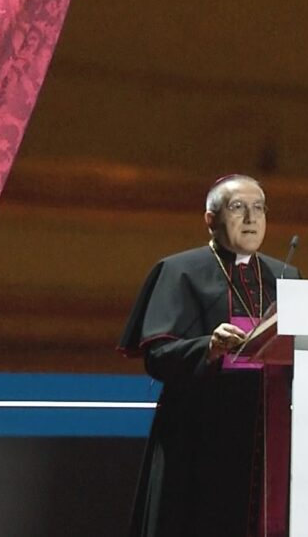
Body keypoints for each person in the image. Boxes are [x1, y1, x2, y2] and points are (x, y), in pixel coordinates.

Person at [117, 175, 295, 536]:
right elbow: (158, 356)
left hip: (266, 433)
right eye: (237, 207)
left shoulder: (285, 275)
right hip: (198, 436)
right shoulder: (179, 270)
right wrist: (208, 347)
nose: (250, 218)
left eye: (258, 208)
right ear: (210, 220)